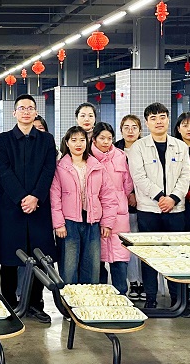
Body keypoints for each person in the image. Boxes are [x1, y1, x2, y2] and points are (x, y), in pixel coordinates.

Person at [0, 94, 58, 323]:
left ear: (36, 112)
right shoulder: (3, 140)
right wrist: (22, 197)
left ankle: (35, 304)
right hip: (11, 207)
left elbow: (48, 170)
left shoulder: (46, 140)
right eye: (22, 108)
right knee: (10, 258)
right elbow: (4, 171)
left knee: (40, 257)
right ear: (14, 113)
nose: (26, 111)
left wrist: (35, 197)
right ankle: (9, 303)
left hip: (38, 207)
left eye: (30, 108)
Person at [126, 103, 190, 310]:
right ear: (147, 123)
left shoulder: (180, 146)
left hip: (175, 209)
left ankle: (177, 299)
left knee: (176, 256)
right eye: (153, 118)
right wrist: (159, 196)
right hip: (149, 209)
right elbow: (139, 176)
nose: (158, 122)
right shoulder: (138, 147)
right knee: (149, 255)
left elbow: (185, 176)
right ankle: (151, 298)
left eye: (162, 117)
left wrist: (173, 198)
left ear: (168, 119)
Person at [51, 127, 120, 285]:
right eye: (74, 140)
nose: (78, 144)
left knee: (91, 267)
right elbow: (54, 198)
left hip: (92, 222)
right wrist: (58, 224)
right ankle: (68, 299)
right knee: (68, 267)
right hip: (68, 223)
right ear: (67, 143)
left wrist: (107, 223)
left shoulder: (97, 166)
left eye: (82, 140)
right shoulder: (60, 167)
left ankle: (88, 300)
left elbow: (108, 196)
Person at [91, 123, 134, 294]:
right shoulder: (87, 157)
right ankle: (101, 298)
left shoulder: (120, 156)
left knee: (120, 259)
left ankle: (121, 296)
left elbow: (127, 184)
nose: (106, 142)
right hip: (96, 214)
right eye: (102, 138)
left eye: (109, 138)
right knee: (96, 262)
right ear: (94, 139)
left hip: (119, 215)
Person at [116, 115, 143, 299]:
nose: (130, 131)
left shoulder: (146, 147)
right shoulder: (115, 149)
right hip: (123, 205)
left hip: (146, 203)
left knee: (143, 245)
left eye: (134, 127)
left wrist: (137, 194)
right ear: (121, 130)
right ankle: (133, 282)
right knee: (128, 245)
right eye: (126, 127)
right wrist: (129, 194)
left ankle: (145, 282)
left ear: (140, 130)